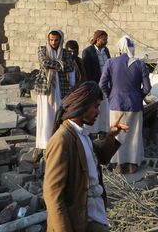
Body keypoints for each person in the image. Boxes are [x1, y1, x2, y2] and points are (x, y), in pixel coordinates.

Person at [43, 81, 129, 232]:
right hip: (80, 222)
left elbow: (98, 157)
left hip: (94, 215)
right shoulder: (62, 140)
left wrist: (111, 136)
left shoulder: (81, 134)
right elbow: (52, 195)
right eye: (95, 106)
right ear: (82, 105)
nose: (98, 112)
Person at [99, 36, 151, 174]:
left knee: (117, 135)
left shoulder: (110, 62)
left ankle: (119, 165)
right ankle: (132, 164)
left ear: (120, 48)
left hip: (116, 104)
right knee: (133, 135)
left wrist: (111, 96)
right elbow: (147, 88)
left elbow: (102, 84)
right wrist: (138, 97)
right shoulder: (140, 64)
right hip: (135, 105)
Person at [35, 30, 74, 150]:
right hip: (45, 88)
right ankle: (45, 142)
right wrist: (59, 64)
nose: (53, 42)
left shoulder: (66, 53)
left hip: (60, 88)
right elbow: (44, 63)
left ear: (60, 40)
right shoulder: (42, 49)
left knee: (58, 113)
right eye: (51, 40)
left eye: (56, 40)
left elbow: (70, 66)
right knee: (46, 114)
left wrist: (55, 64)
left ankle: (57, 140)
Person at [82, 31, 112, 135]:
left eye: (106, 39)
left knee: (104, 107)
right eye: (104, 39)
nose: (106, 41)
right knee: (94, 107)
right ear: (97, 39)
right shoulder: (88, 51)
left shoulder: (106, 50)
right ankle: (92, 130)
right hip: (94, 84)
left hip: (105, 84)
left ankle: (103, 129)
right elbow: (86, 70)